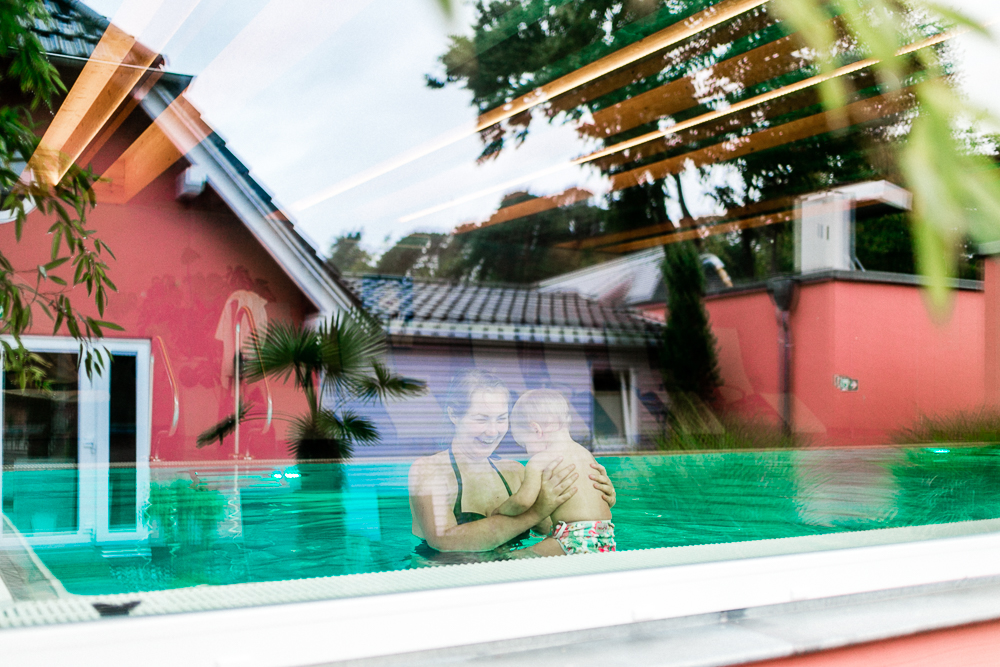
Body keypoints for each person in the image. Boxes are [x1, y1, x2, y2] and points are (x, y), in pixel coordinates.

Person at [408, 370, 616, 560]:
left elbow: (554, 530)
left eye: (501, 419)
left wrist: (596, 492)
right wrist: (536, 512)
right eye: (481, 419)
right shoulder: (429, 470)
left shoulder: (516, 471)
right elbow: (443, 541)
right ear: (454, 415)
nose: (493, 431)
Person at [495, 389, 614, 556]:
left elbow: (523, 501)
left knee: (508, 559)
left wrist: (500, 511)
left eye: (524, 445)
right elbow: (606, 500)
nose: (527, 452)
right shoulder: (586, 455)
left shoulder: (540, 460)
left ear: (536, 430)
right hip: (605, 537)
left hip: (573, 538)